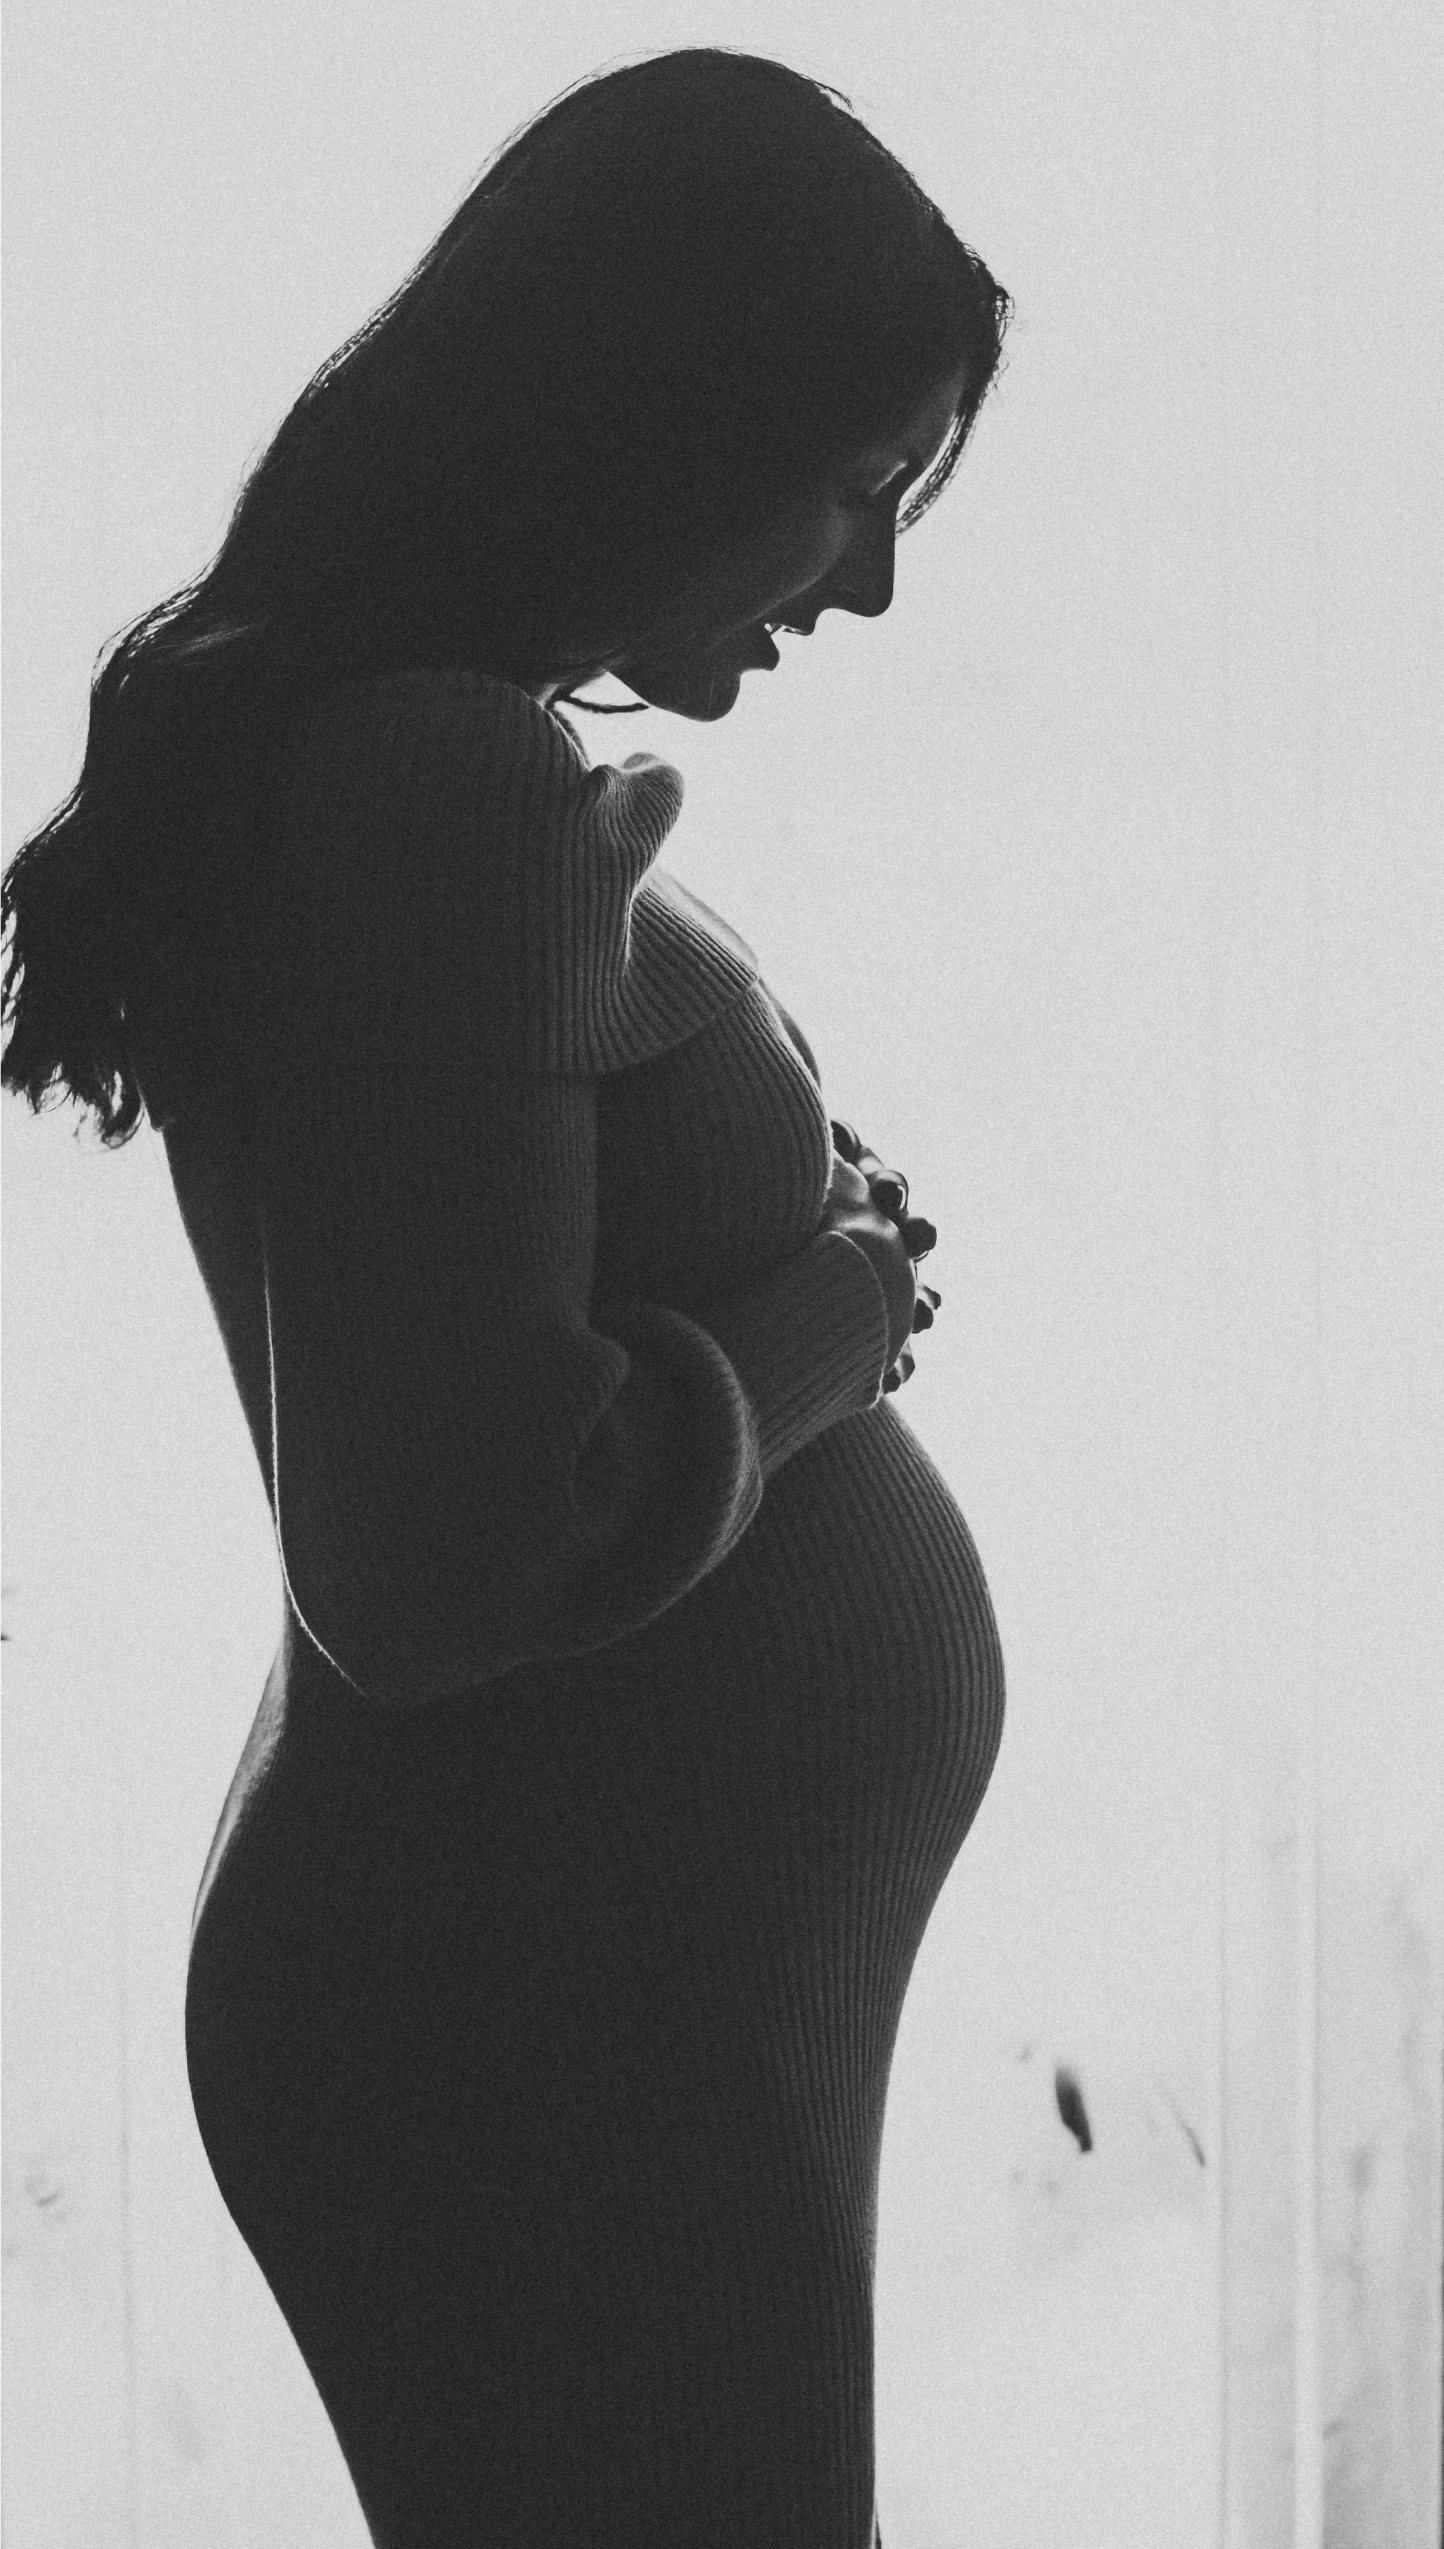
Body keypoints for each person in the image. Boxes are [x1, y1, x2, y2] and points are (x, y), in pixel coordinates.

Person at [1, 47, 1011, 2548]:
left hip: (574, 1994)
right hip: (543, 2018)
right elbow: (431, 1560)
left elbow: (467, 1296)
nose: (865, 576)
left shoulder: (417, 770)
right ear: (664, 411)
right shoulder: (437, 785)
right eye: (853, 478)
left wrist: (786, 1255)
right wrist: (806, 1339)